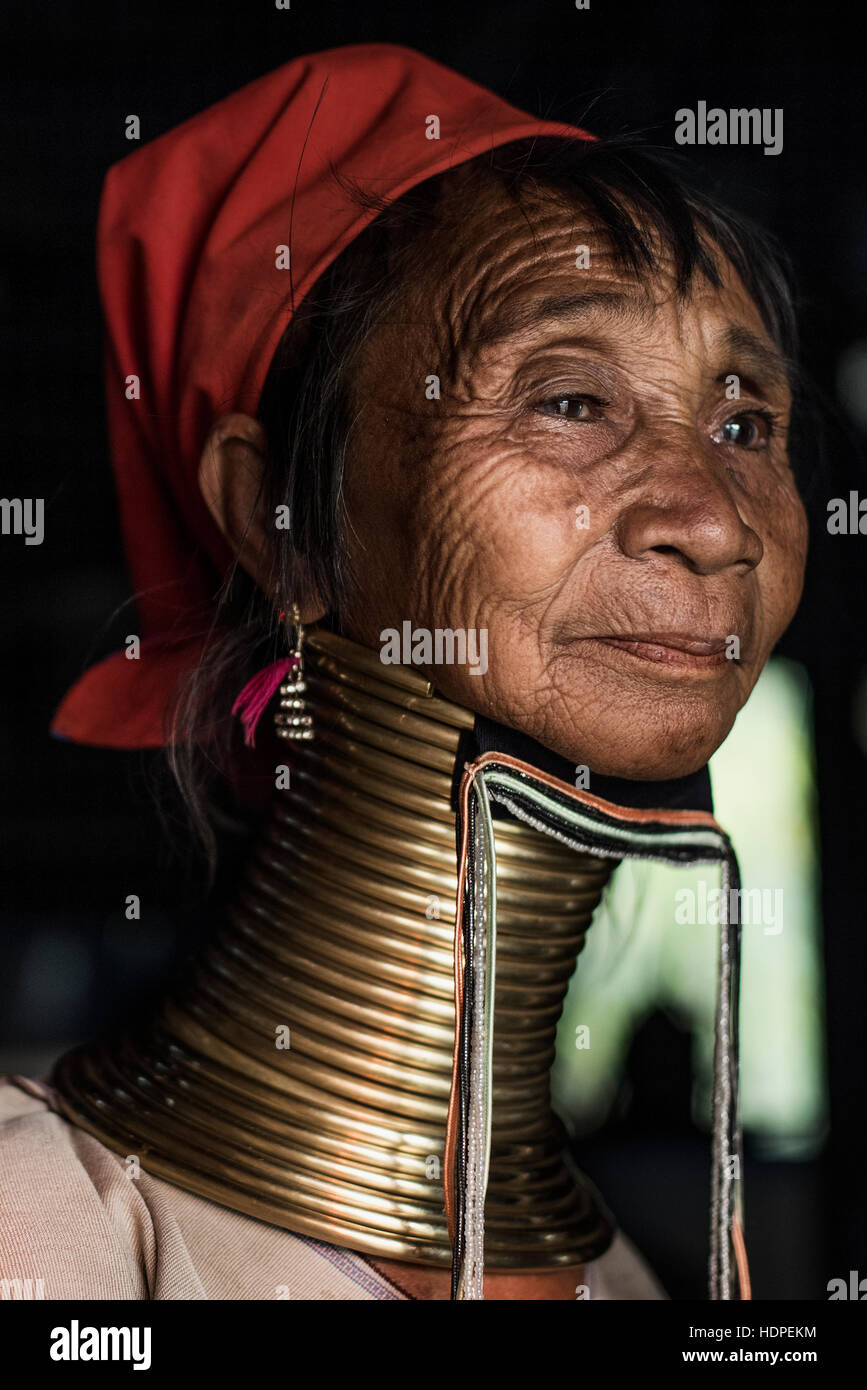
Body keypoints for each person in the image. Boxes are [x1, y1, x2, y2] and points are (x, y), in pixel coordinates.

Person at [0, 42, 807, 1301]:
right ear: (278, 517)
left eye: (745, 422)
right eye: (571, 401)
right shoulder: (42, 1229)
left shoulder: (630, 1280)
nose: (716, 521)